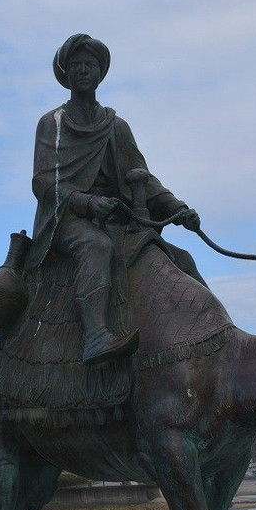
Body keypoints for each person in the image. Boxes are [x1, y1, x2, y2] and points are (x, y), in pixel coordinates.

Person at [29, 34, 200, 365]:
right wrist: (87, 203)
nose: (84, 71)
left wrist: (176, 208)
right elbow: (44, 181)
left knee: (181, 260)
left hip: (118, 217)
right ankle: (96, 336)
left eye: (90, 65)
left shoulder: (116, 126)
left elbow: (143, 176)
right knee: (96, 246)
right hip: (68, 219)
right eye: (76, 66)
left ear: (100, 72)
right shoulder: (52, 123)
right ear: (65, 74)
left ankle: (210, 340)